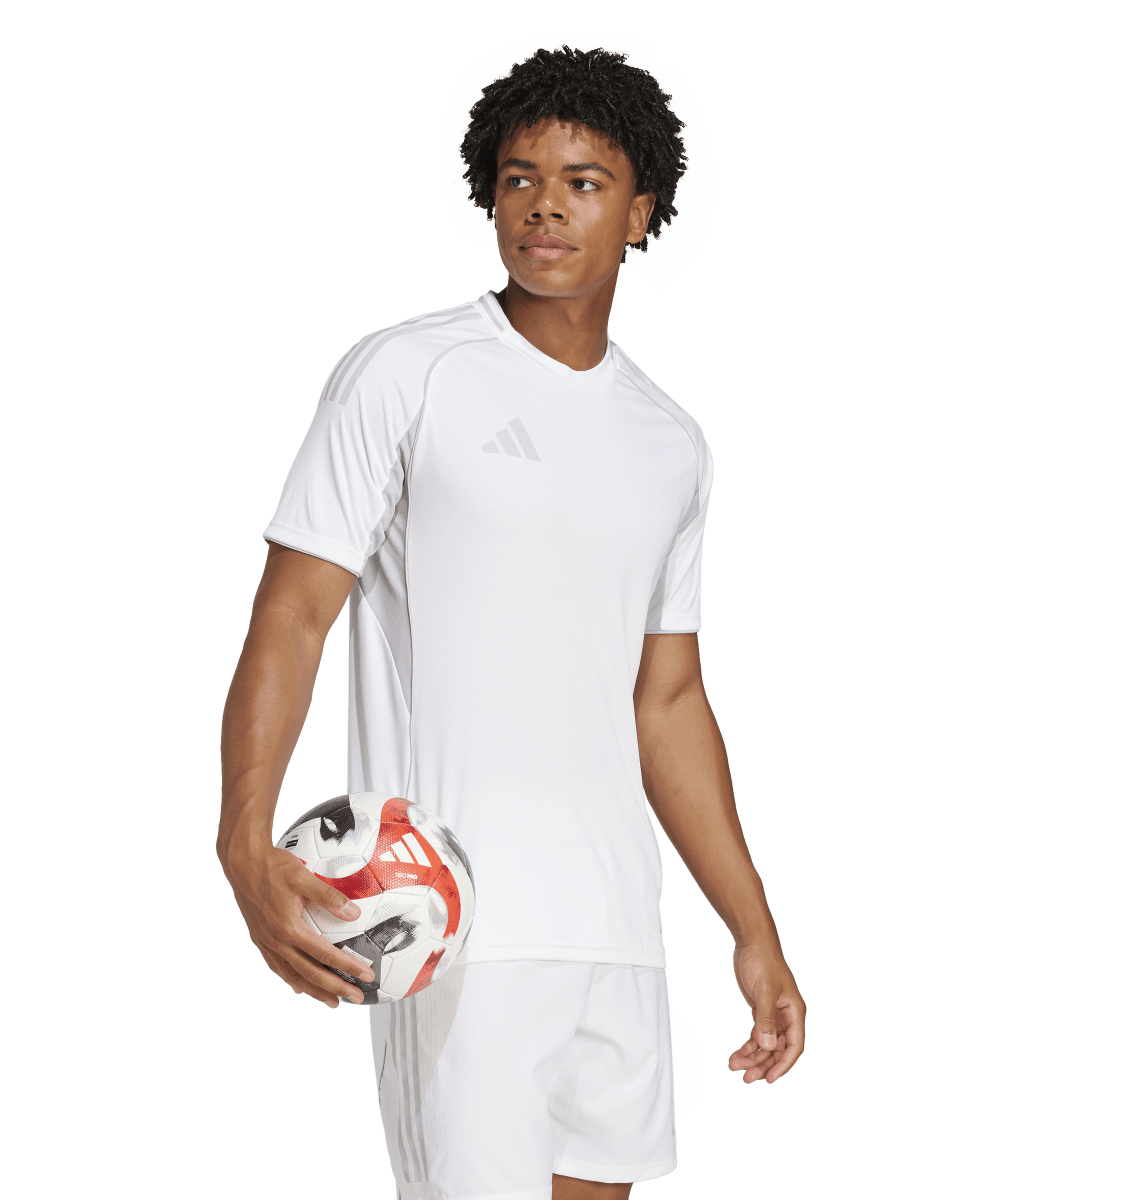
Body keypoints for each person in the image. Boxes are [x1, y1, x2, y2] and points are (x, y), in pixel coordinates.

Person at [217, 44, 805, 1200]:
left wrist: (752, 928)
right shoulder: (405, 374)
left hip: (617, 924)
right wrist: (244, 844)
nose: (544, 205)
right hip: (451, 919)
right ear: (489, 196)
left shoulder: (672, 441)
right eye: (519, 178)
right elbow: (292, 617)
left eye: (585, 182)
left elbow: (667, 700)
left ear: (642, 213)